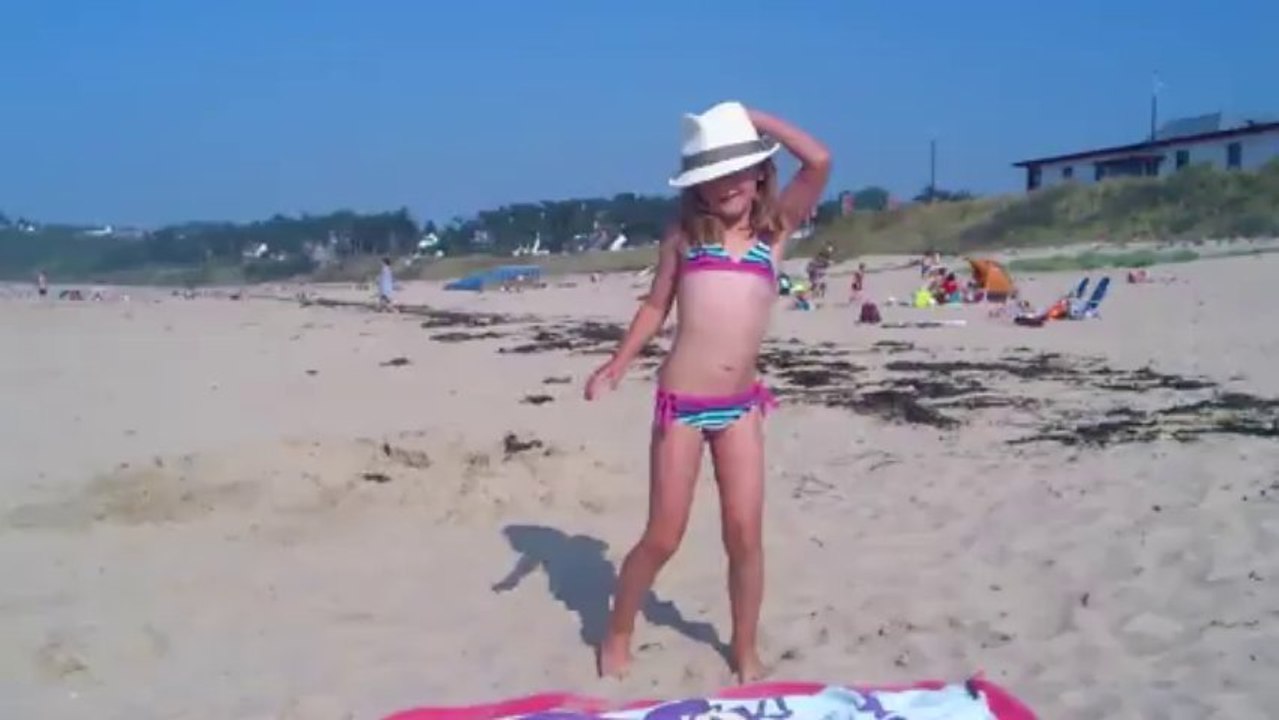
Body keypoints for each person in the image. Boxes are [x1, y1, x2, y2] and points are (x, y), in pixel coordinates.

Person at [584, 101, 830, 681]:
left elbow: (819, 161)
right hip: (682, 406)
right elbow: (655, 307)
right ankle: (617, 631)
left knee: (744, 535)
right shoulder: (685, 236)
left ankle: (744, 649)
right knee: (664, 535)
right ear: (696, 185)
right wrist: (617, 364)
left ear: (760, 172)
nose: (728, 184)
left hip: (741, 407)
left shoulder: (774, 230)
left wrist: (755, 118)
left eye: (738, 169)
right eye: (714, 174)